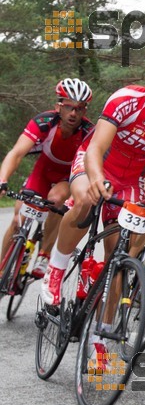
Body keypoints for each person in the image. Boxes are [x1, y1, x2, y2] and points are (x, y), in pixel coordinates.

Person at [41, 47, 145, 368]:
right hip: (96, 164)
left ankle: (99, 337)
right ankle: (55, 271)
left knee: (120, 260)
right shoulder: (126, 99)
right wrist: (97, 179)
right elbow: (95, 148)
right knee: (87, 198)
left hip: (131, 181)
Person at [0, 78, 94, 278]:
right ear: (57, 106)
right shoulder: (43, 122)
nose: (73, 113)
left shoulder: (88, 131)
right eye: (68, 107)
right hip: (42, 172)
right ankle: (2, 268)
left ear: (85, 111)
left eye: (80, 108)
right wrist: (3, 180)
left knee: (56, 199)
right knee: (18, 220)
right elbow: (16, 153)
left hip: (66, 177)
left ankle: (45, 253)